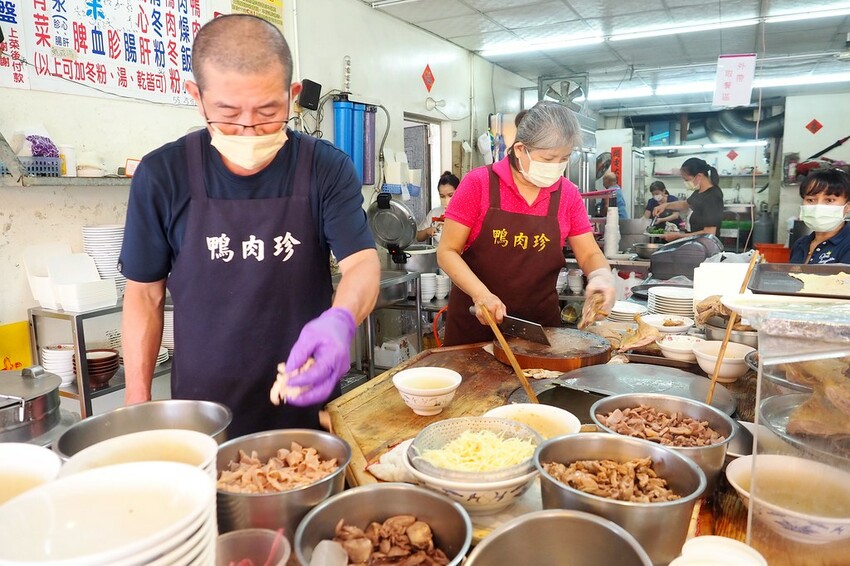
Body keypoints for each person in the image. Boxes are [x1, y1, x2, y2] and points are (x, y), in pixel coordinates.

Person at [118, 15, 380, 437]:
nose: (247, 130)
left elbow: (362, 263)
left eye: (267, 112)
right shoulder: (162, 174)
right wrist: (136, 401)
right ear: (197, 98)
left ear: (292, 96)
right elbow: (144, 296)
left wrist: (341, 320)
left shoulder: (326, 168)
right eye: (226, 113)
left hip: (302, 399)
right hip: (200, 412)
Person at [437, 101, 616, 346]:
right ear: (520, 149)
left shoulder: (567, 194)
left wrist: (600, 275)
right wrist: (480, 295)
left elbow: (589, 253)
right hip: (476, 329)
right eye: (548, 158)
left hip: (540, 334)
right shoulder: (478, 184)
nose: (556, 167)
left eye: (564, 158)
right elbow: (447, 251)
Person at [653, 157, 723, 242]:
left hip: (706, 246)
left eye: (687, 180)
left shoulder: (712, 196)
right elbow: (685, 204)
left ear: (699, 176)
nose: (686, 183)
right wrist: (665, 205)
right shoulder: (699, 192)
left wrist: (679, 236)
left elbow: (709, 232)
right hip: (696, 243)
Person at [790, 168, 850, 264]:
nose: (818, 207)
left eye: (829, 200)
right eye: (811, 200)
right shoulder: (800, 244)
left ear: (847, 207)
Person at [416, 171, 459, 243]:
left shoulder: (465, 213)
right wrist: (428, 231)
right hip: (438, 253)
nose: (446, 200)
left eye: (450, 195)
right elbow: (418, 237)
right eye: (442, 196)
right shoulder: (435, 213)